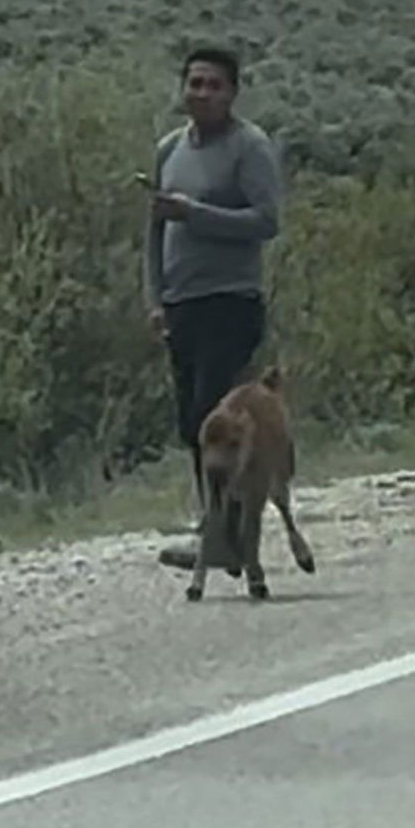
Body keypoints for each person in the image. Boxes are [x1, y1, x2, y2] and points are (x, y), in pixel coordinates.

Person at [143, 48, 284, 571]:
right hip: (183, 306)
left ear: (232, 93)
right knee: (192, 426)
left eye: (213, 85)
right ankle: (220, 531)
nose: (201, 93)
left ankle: (225, 536)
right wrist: (154, 298)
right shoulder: (168, 150)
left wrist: (195, 213)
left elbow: (266, 221)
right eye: (194, 83)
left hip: (232, 301)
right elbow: (154, 231)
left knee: (219, 417)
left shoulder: (250, 147)